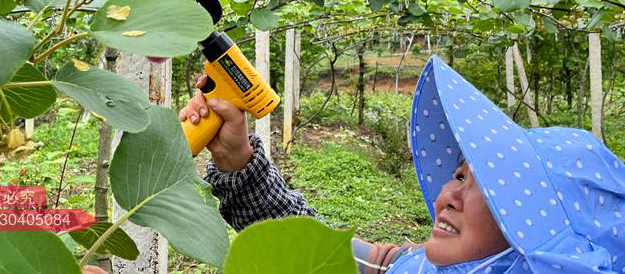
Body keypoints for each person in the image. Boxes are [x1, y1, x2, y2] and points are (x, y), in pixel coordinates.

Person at [179, 55, 625, 273]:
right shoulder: (419, 267)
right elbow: (330, 254)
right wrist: (237, 161)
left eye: (484, 185)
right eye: (458, 177)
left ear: (532, 228)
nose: (447, 196)